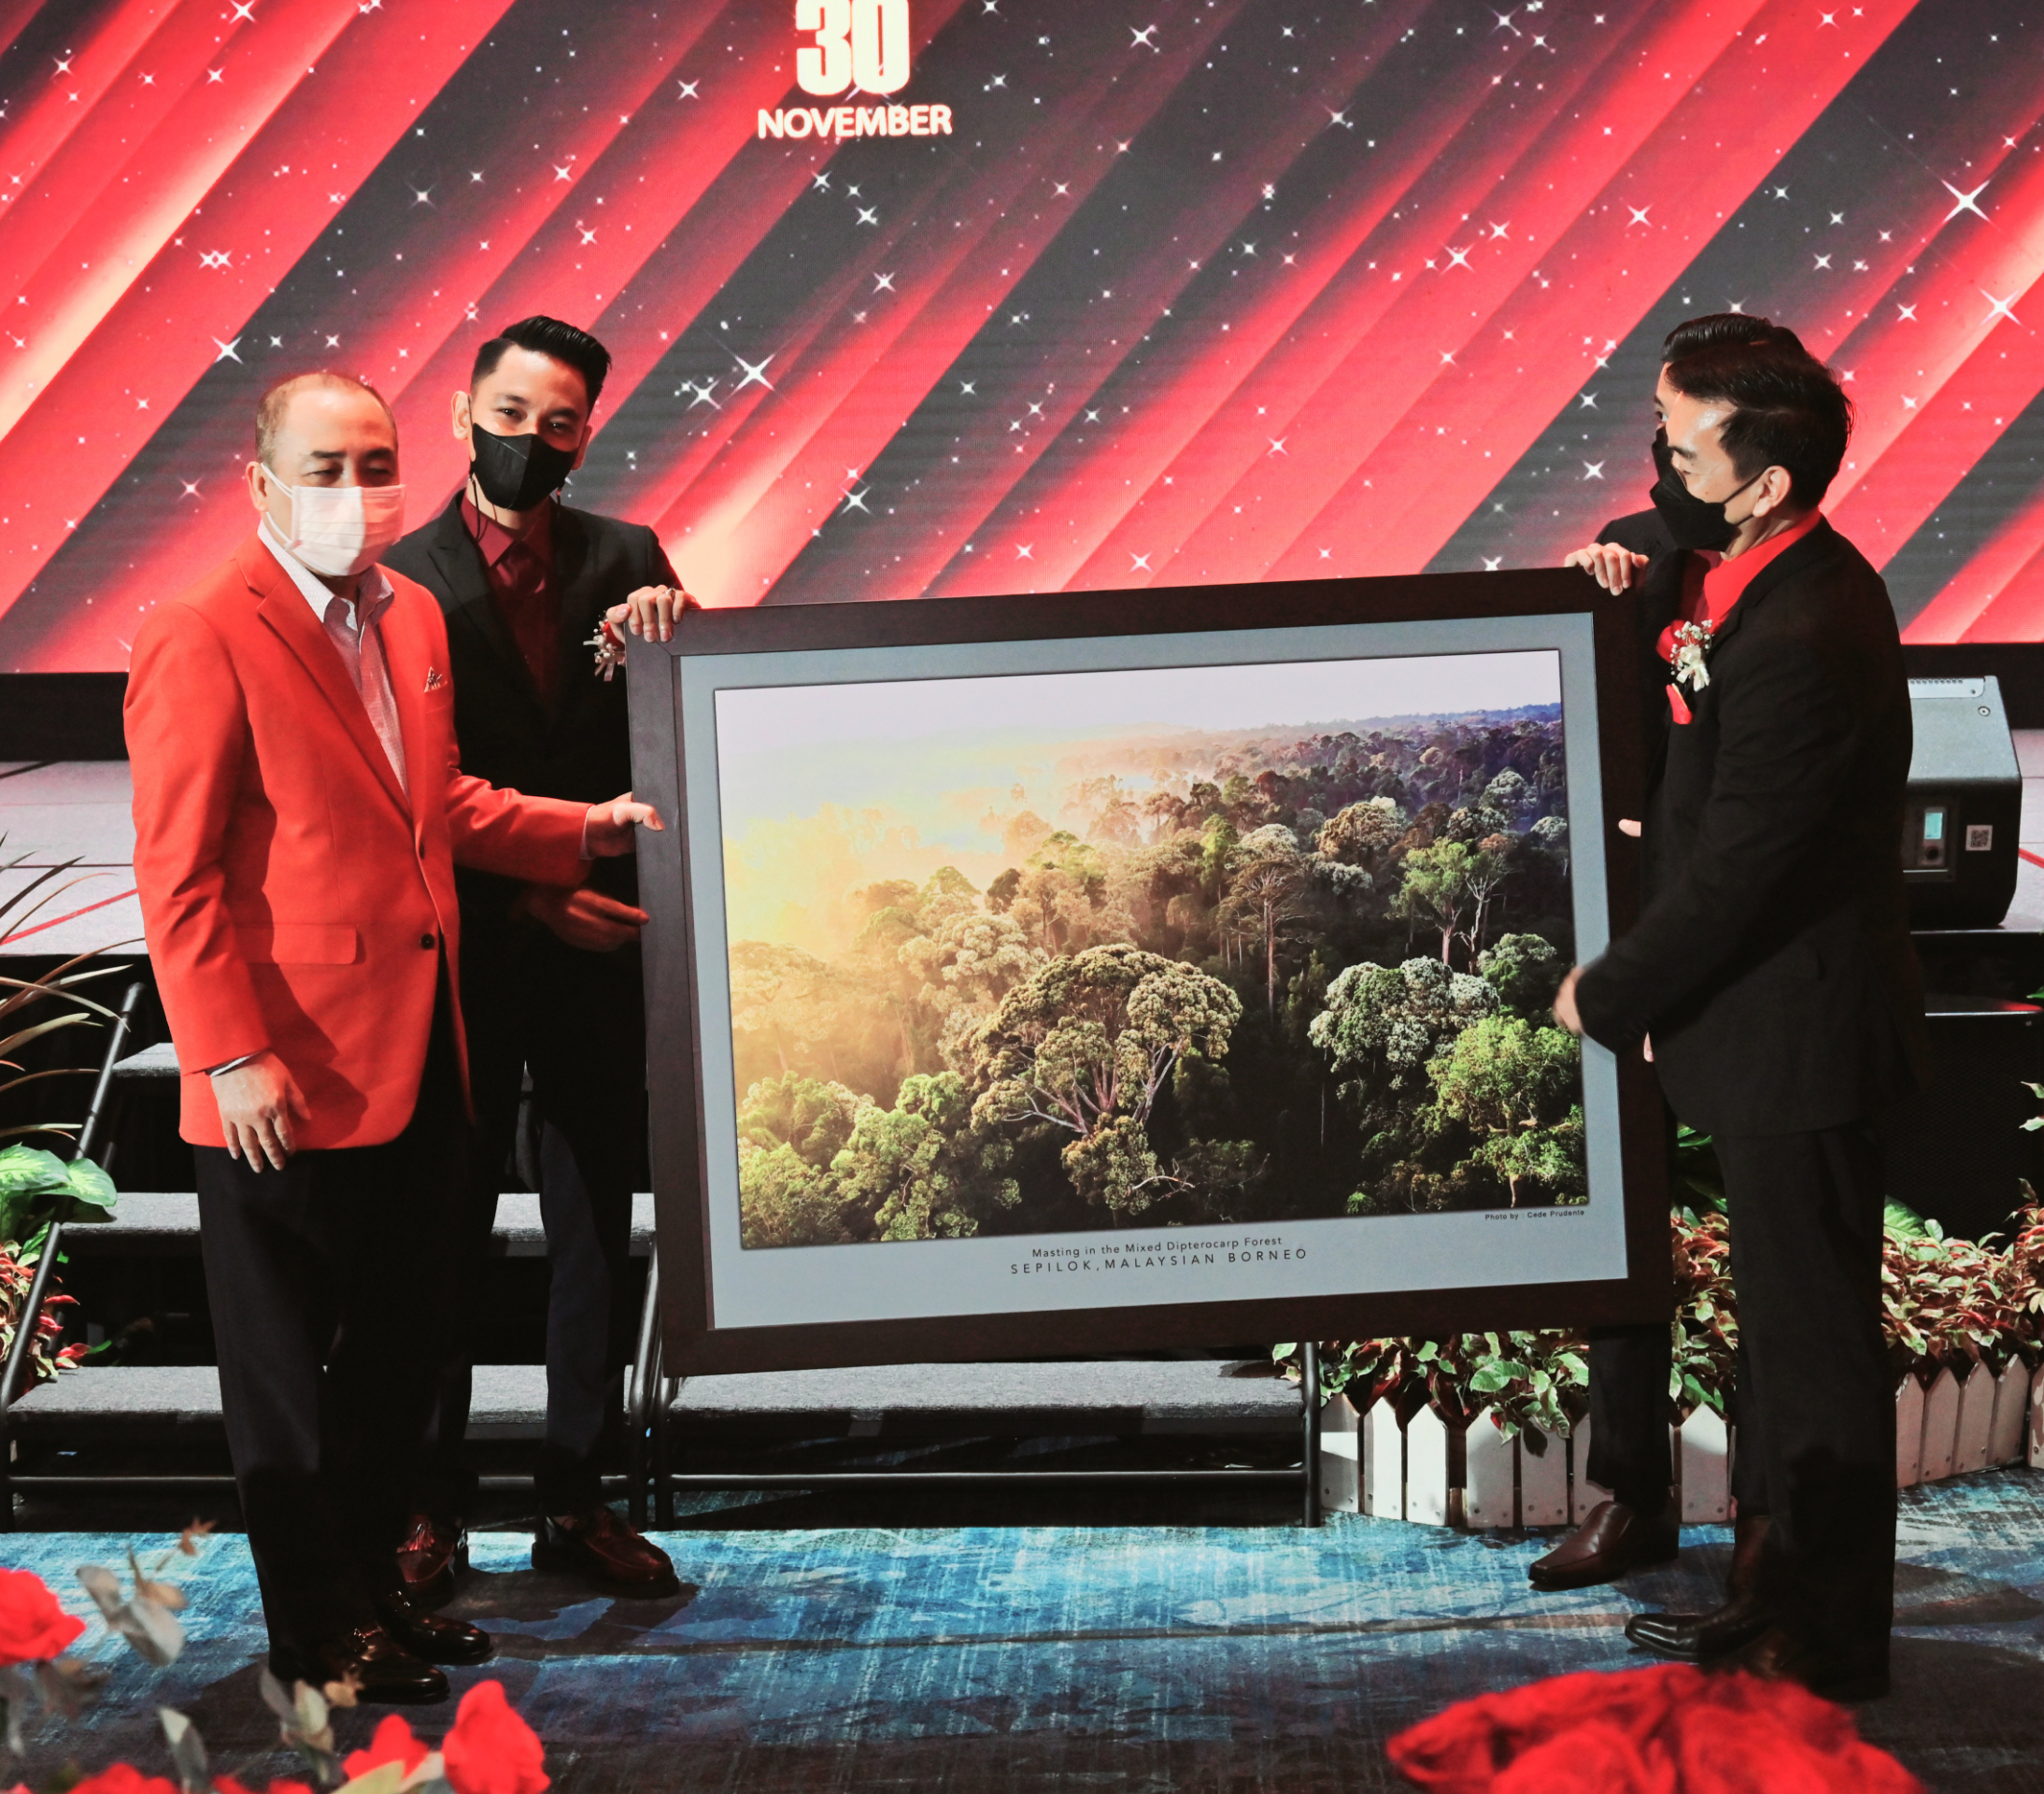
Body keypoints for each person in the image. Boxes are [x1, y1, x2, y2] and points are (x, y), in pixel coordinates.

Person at [125, 371, 661, 1702]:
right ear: (262, 483)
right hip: (280, 1075)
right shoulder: (201, 628)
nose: (354, 493)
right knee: (290, 1391)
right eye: (324, 469)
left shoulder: (408, 611)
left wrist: (587, 828)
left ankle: (377, 1598)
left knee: (393, 1363)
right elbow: (178, 879)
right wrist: (227, 1055)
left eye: (374, 465)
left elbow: (445, 803)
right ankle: (315, 1635)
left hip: (423, 1053)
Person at [1549, 332, 1927, 1698]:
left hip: (1804, 1034)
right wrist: (1615, 557)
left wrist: (1609, 990)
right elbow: (1654, 539)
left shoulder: (1813, 630)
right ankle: (1768, 1601)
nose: (1659, 464)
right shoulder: (1741, 561)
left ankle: (1827, 1641)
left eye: (1682, 443)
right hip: (1752, 1030)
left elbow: (1746, 866)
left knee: (1815, 1357)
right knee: (1778, 1341)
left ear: (1763, 482)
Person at [383, 317, 690, 1603]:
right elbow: (407, 794)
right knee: (439, 1233)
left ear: (586, 435)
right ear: (464, 414)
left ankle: (577, 1497)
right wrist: (531, 896)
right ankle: (426, 1507)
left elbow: (671, 731)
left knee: (593, 1232)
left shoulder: (629, 558)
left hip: (601, 955)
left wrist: (680, 636)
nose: (530, 440)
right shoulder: (398, 581)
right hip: (460, 952)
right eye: (511, 415)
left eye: (559, 424)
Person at [1527, 314, 1809, 1602]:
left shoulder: (1803, 581)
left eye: (1683, 428)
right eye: (1660, 424)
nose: (1665, 447)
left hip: (1749, 960)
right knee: (1627, 1226)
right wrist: (1584, 606)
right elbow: (1597, 737)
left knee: (1771, 1258)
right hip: (1640, 933)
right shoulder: (1636, 554)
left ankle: (1769, 1517)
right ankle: (1630, 1495)